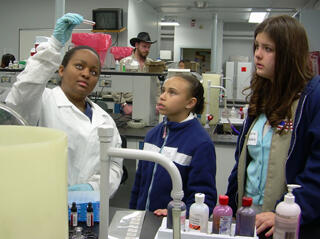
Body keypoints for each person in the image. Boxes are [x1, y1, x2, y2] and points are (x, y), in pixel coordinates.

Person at [5, 13, 123, 196]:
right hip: (40, 201)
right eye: (79, 66)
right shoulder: (41, 101)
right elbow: (21, 95)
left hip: (87, 207)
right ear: (61, 70)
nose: (86, 74)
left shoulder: (105, 119)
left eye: (94, 72)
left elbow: (115, 165)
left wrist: (93, 188)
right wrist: (54, 45)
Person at [226, 15, 320, 238]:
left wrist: (288, 213)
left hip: (289, 225)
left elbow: (317, 171)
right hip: (250, 220)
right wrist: (229, 207)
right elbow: (242, 162)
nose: (258, 54)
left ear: (289, 54)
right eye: (257, 46)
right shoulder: (262, 97)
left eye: (268, 48)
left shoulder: (312, 98)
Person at [130, 73, 217, 216]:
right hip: (143, 220)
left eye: (172, 92)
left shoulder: (200, 143)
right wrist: (133, 213)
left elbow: (205, 199)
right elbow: (139, 184)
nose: (163, 96)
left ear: (190, 103)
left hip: (173, 226)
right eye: (163, 90)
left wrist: (178, 213)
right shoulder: (152, 135)